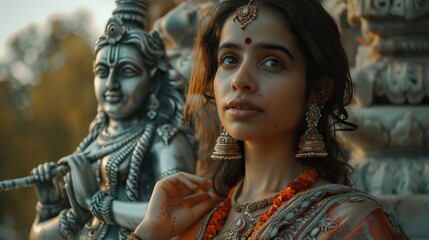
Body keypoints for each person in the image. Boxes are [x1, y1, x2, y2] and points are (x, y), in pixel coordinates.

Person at [129, 0, 410, 239]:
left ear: (318, 90)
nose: (240, 80)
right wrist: (149, 232)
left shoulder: (351, 223)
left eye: (272, 62)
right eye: (229, 59)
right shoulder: (195, 224)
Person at [29, 0, 196, 239]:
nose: (111, 85)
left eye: (127, 71)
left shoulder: (165, 140)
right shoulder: (92, 142)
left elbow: (176, 215)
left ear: (154, 78)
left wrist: (95, 202)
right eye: (102, 72)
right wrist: (50, 206)